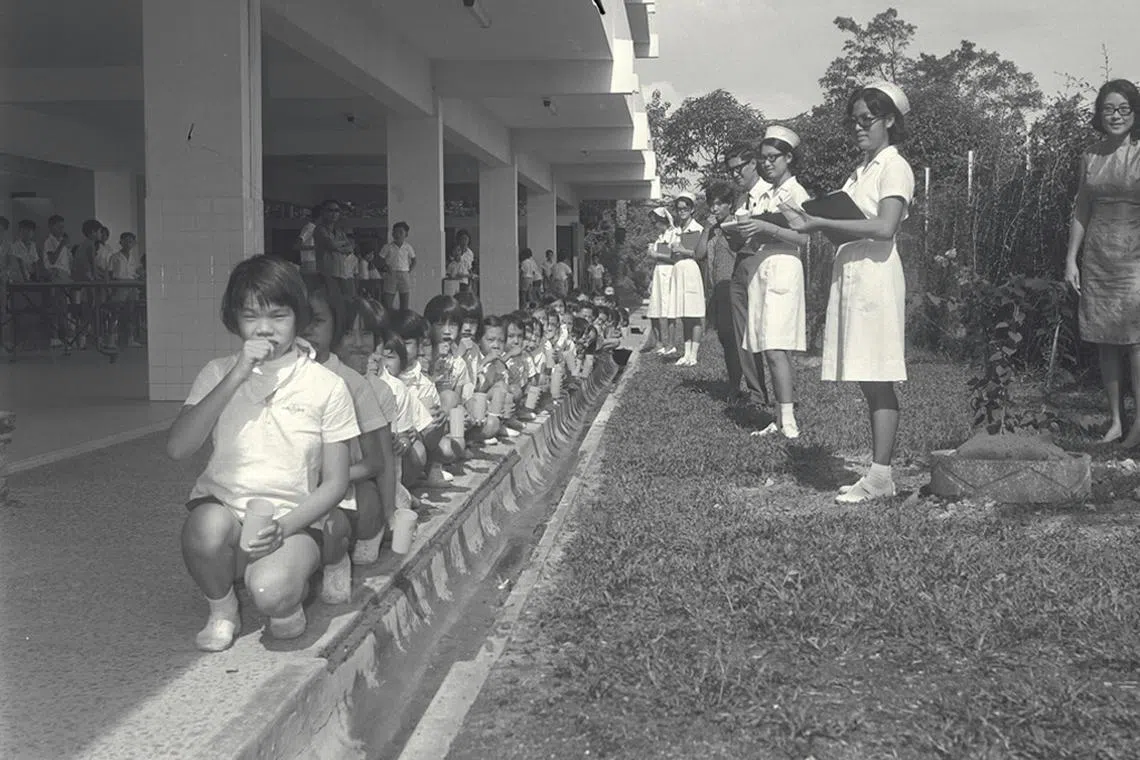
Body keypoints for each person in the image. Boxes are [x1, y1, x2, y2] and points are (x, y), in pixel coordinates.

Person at [166, 255, 358, 651]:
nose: (264, 328)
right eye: (251, 316)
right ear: (234, 319)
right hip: (226, 509)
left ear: (298, 317)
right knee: (203, 531)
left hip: (294, 519)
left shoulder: (327, 385)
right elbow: (178, 447)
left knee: (271, 592)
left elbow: (336, 482)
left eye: (278, 315)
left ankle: (285, 600)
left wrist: (284, 528)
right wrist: (237, 373)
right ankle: (222, 609)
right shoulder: (218, 372)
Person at [783, 82, 915, 503]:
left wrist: (821, 223)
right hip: (853, 271)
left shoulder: (896, 167)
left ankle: (880, 477)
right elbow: (847, 229)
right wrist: (816, 221)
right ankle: (878, 474)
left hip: (876, 275)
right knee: (866, 375)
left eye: (867, 120)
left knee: (878, 375)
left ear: (889, 120)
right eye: (853, 121)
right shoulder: (859, 172)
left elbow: (884, 227)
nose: (858, 128)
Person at [1064, 79, 1140, 446]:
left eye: (1124, 108)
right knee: (1105, 339)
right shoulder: (1090, 156)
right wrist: (1070, 259)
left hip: (1136, 258)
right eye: (1108, 108)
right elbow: (1082, 208)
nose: (1116, 115)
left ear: (1135, 113)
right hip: (1097, 257)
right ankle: (1115, 420)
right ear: (1099, 114)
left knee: (1136, 339)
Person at [304, 285, 399, 569]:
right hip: (299, 485)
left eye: (365, 333)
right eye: (349, 333)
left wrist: (390, 513)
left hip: (350, 484)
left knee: (360, 511)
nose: (357, 342)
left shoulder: (356, 385)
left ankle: (362, 534)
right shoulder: (288, 376)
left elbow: (380, 459)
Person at [738, 126, 810, 439]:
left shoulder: (796, 192)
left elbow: (804, 237)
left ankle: (789, 419)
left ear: (788, 157)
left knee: (777, 347)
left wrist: (767, 228)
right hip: (762, 267)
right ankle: (778, 417)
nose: (767, 164)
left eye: (773, 158)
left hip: (783, 267)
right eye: (763, 158)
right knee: (766, 346)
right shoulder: (767, 193)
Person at [722, 144, 774, 407]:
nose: (734, 176)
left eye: (738, 169)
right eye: (730, 171)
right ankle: (756, 392)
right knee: (743, 331)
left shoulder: (770, 193)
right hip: (741, 263)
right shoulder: (741, 201)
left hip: (765, 262)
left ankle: (781, 396)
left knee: (769, 332)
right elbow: (736, 243)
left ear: (753, 163)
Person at [697, 182, 743, 390]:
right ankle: (735, 382)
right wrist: (707, 228)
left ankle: (739, 384)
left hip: (733, 286)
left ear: (729, 204)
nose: (714, 209)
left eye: (719, 204)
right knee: (725, 337)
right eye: (711, 204)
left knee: (733, 337)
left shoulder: (737, 225)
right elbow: (698, 254)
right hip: (717, 288)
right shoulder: (713, 229)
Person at [667, 193, 706, 366]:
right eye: (679, 209)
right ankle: (686, 353)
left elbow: (700, 254)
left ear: (692, 209)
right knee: (684, 314)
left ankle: (694, 355)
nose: (681, 212)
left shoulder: (697, 228)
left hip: (690, 269)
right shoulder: (676, 230)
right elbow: (670, 254)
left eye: (685, 208)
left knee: (694, 314)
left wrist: (682, 250)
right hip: (678, 270)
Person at [644, 207, 678, 358]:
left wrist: (655, 254)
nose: (654, 225)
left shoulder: (674, 234)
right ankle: (659, 343)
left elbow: (675, 257)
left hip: (668, 272)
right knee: (655, 309)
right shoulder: (660, 236)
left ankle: (670, 344)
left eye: (656, 222)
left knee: (668, 309)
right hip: (658, 272)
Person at [380, 221, 416, 312]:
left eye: (400, 232)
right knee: (387, 303)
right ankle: (388, 322)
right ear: (392, 233)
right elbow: (380, 259)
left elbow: (414, 260)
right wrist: (386, 268)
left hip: (404, 274)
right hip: (391, 274)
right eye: (395, 232)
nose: (397, 234)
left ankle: (403, 322)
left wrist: (408, 271)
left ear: (406, 234)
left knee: (404, 303)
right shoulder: (387, 247)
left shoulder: (408, 247)